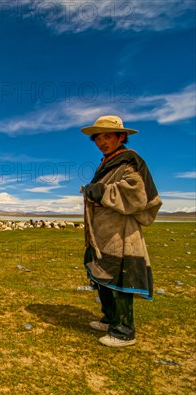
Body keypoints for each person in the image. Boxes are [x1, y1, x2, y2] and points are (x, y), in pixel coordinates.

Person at [80, 115, 162, 348]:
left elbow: (136, 194)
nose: (102, 142)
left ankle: (124, 331)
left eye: (108, 136)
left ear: (121, 136)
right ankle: (110, 319)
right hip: (103, 232)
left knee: (118, 276)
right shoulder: (108, 162)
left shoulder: (129, 161)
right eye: (98, 138)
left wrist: (100, 192)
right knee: (103, 275)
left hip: (121, 231)